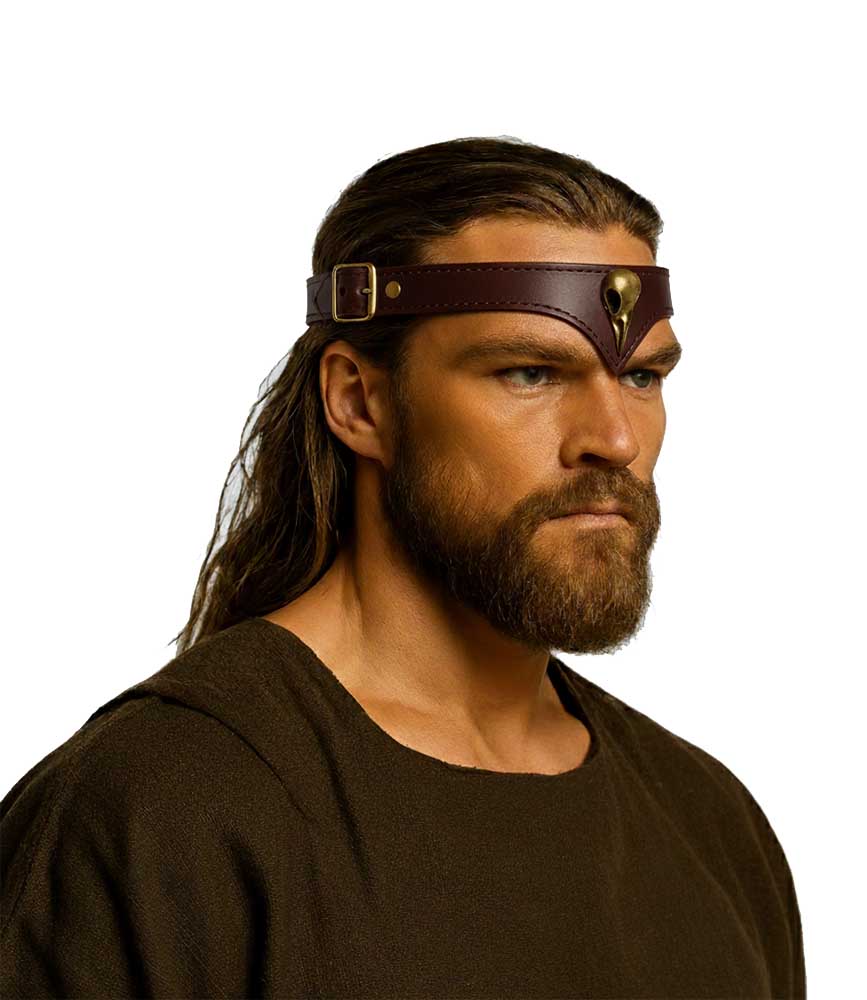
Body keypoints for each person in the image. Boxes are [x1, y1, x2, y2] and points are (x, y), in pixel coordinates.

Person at [1, 136, 806, 998]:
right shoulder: (161, 809)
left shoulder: (712, 826)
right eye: (530, 372)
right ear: (359, 401)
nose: (614, 439)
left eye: (642, 377)